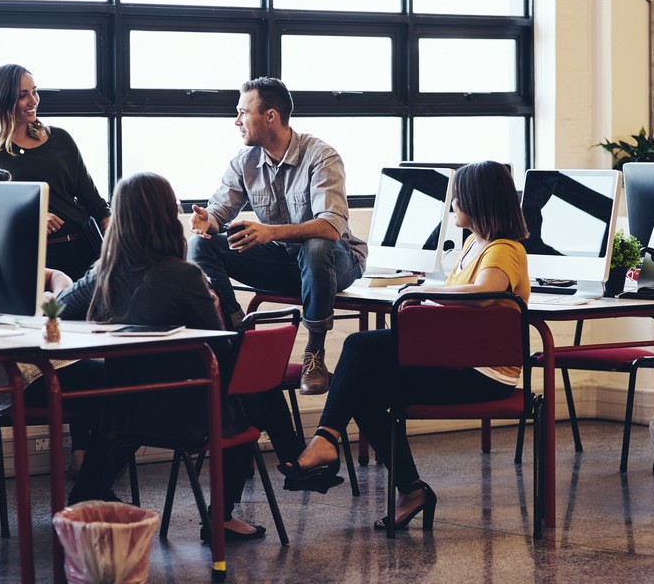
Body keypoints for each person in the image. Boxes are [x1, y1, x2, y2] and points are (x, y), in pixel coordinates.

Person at [279, 161, 530, 532]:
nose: (453, 202)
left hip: (484, 374)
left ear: (478, 201)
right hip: (458, 361)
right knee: (360, 385)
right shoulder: (474, 246)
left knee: (359, 347)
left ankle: (325, 441)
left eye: (459, 195)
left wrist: (422, 290)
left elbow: (483, 294)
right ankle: (408, 488)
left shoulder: (504, 249)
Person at [60, 172, 302, 541]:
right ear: (165, 216)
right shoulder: (184, 275)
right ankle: (249, 494)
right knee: (250, 384)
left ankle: (294, 461)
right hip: (189, 416)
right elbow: (219, 349)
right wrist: (214, 302)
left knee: (247, 385)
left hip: (124, 413)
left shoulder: (103, 275)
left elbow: (58, 309)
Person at [188, 76, 368, 396]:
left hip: (337, 260)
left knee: (315, 247)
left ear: (270, 116)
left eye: (243, 112)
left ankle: (314, 352)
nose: (236, 121)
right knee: (200, 247)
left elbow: (330, 226)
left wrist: (270, 233)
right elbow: (219, 213)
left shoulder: (321, 156)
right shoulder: (245, 161)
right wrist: (207, 222)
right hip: (285, 263)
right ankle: (235, 331)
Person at [0, 165, 103, 477]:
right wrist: (48, 304)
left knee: (109, 376)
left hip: (35, 371)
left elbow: (52, 276)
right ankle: (93, 483)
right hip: (20, 382)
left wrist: (59, 293)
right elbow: (18, 321)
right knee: (122, 382)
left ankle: (91, 474)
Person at [0, 64, 111, 281]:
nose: (33, 101)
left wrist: (122, 249)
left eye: (34, 91)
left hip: (82, 253)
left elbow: (96, 204)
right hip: (24, 258)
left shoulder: (61, 139)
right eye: (23, 95)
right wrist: (32, 217)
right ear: (1, 100)